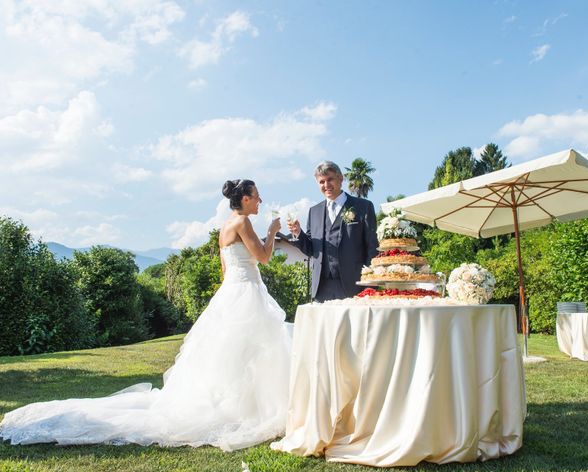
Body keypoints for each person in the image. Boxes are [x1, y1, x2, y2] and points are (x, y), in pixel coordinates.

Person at [0, 179, 292, 451]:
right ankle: (248, 408)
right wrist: (272, 231)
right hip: (246, 293)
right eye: (256, 196)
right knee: (251, 352)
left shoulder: (225, 227)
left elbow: (225, 269)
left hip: (233, 291)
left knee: (234, 354)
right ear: (245, 198)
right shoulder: (243, 222)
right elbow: (264, 257)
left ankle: (239, 405)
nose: (260, 200)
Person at [288, 161, 378, 302]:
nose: (326, 185)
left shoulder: (363, 206)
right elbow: (311, 249)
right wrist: (298, 233)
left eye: (330, 179)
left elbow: (373, 247)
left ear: (341, 178)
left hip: (354, 285)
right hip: (321, 287)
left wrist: (371, 283)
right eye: (321, 182)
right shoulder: (314, 211)